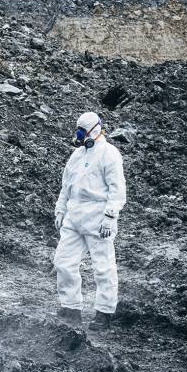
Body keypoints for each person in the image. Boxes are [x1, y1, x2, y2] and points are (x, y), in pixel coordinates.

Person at [53, 111, 126, 328]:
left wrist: (110, 216)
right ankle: (70, 307)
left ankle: (104, 312)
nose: (80, 134)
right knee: (63, 262)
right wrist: (60, 209)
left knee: (103, 267)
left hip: (98, 218)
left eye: (83, 130)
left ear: (95, 129)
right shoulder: (76, 156)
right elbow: (66, 186)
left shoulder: (109, 153)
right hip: (74, 217)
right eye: (78, 129)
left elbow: (117, 189)